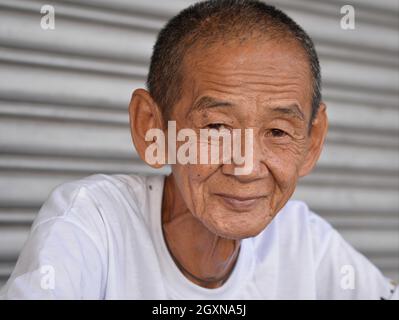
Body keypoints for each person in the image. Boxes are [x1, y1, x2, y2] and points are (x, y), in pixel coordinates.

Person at [1, 0, 397, 299]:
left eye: (277, 131)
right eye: (217, 127)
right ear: (151, 128)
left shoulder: (304, 242)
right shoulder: (92, 224)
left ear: (311, 143)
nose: (245, 167)